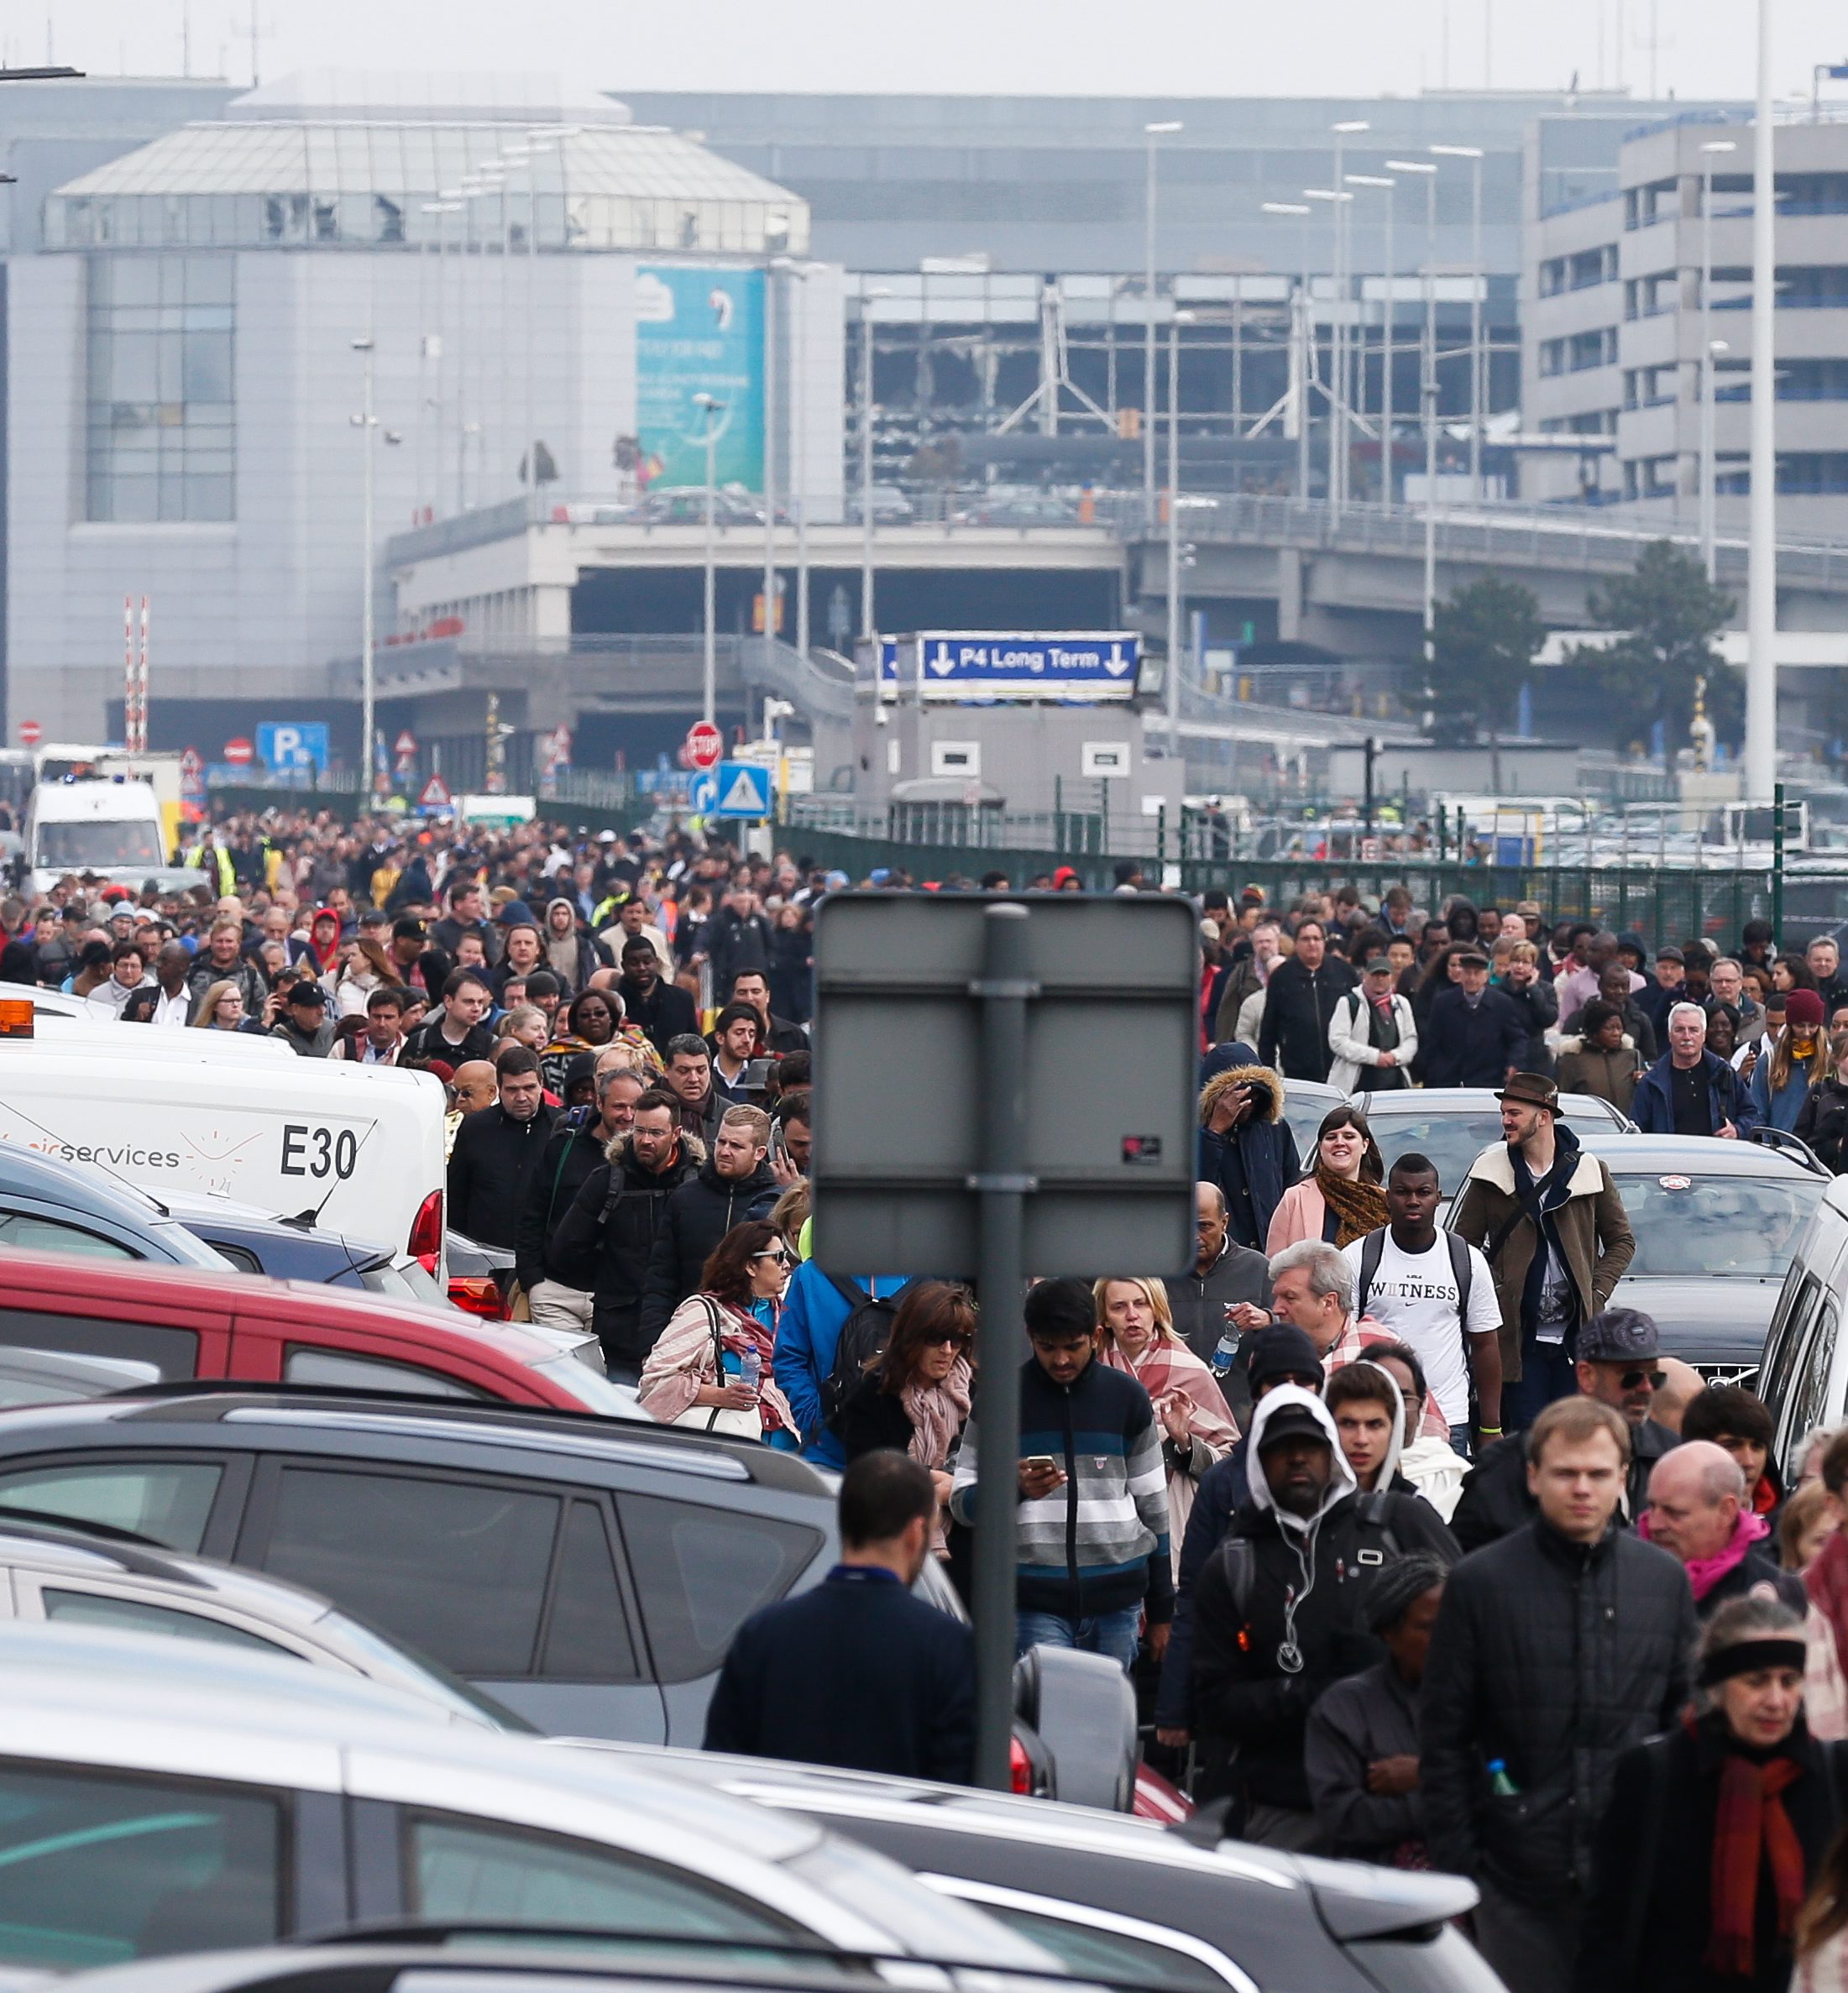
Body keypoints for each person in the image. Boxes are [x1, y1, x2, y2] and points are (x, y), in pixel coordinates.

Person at [1421, 1396, 1698, 1993]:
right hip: (1514, 1880)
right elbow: (1446, 1737)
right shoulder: (1479, 1584)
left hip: (1633, 1880)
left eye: (1597, 1474)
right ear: (1532, 1476)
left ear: (1622, 1479)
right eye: (1565, 1473)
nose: (1581, 1489)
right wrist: (1467, 1866)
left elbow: (1685, 1733)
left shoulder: (1663, 1583)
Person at [1189, 1385, 1457, 1846]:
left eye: (1310, 1447)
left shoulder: (1394, 1525)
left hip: (1393, 1802)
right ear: (1257, 1460)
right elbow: (1215, 1702)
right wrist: (1317, 1694)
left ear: (1329, 1453)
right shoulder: (1233, 1564)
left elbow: (1465, 1642)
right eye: (1280, 1449)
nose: (1297, 1459)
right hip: (1281, 1810)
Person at [1581, 1596, 1848, 1993]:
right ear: (1719, 1687)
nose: (1775, 1701)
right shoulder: (1657, 1773)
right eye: (1756, 1681)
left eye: (1789, 1681)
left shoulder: (1831, 1772)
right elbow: (1609, 1920)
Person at [702, 1450, 975, 1783]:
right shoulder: (948, 1646)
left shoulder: (764, 1633)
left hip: (783, 1830)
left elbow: (724, 1766)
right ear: (916, 1533)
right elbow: (958, 1783)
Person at [949, 1277, 1172, 1672]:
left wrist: (1161, 1612)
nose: (1061, 1360)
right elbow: (961, 1502)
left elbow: (1154, 1511)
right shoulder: (1000, 1400)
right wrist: (1010, 1488)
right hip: (1033, 1603)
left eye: (1073, 1347)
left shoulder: (1128, 1399)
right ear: (1030, 1337)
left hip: (1117, 1603)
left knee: (1106, 1724)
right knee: (1049, 1722)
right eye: (1047, 1348)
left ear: (1096, 1335)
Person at [1451, 1072, 1635, 1429]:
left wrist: (1596, 1292)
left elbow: (1621, 1241)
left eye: (1514, 1113)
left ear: (1544, 1116)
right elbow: (1462, 1247)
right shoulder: (1491, 1172)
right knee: (1528, 1441)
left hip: (1575, 1340)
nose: (1505, 1120)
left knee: (1576, 1436)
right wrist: (1496, 1289)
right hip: (1518, 1341)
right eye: (1504, 1112)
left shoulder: (1590, 1171)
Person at [1450, 1305, 1682, 1553]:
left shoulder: (1673, 1457)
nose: (1646, 1388)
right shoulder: (1508, 1466)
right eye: (1631, 1376)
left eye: (1655, 1377)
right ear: (1586, 1376)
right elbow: (1463, 1560)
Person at [1347, 1152, 1504, 1453]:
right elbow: (1344, 1341)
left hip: (1449, 1417)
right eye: (1403, 1192)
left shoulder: (1467, 1260)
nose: (1413, 1201)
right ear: (1387, 1197)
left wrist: (1490, 1426)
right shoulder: (1357, 1257)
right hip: (1377, 1414)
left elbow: (1485, 1345)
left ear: (1438, 1198)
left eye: (1423, 1192)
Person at [1305, 1553, 1448, 1865]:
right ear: (1389, 1632)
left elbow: (1511, 1787)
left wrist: (1425, 1774)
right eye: (1427, 1628)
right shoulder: (1346, 1709)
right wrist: (1452, 1800)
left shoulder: (1487, 1698)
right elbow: (1345, 1818)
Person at [1094, 1276, 1238, 1569]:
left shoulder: (1191, 1373)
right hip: (1100, 1518)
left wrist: (1184, 1442)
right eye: (1119, 1307)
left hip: (1171, 1518)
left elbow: (1229, 1460)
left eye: (1141, 1304)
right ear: (1105, 1318)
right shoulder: (1089, 1372)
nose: (1132, 1316)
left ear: (1156, 1309)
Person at [835, 1280, 975, 1558]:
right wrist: (928, 1480)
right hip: (893, 1545)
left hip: (966, 1552)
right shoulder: (873, 1395)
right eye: (935, 1339)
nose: (947, 1350)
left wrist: (959, 1490)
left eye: (957, 1340)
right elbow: (865, 1476)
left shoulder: (976, 1393)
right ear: (910, 1338)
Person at [638, 1218, 796, 1446]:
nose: (786, 1266)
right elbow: (654, 1380)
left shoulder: (786, 1314)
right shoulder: (702, 1312)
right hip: (727, 1449)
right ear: (750, 1266)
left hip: (786, 1450)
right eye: (778, 1258)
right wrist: (720, 1396)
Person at [516, 1065, 646, 1332]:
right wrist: (532, 1280)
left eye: (636, 1107)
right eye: (619, 1107)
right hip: (556, 1291)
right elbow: (533, 1213)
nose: (628, 1116)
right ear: (599, 1102)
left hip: (618, 1299)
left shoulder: (647, 1160)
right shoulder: (563, 1148)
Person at [445, 1045, 558, 1250]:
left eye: (529, 1088)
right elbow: (456, 1196)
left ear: (541, 1084)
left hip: (544, 1255)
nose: (522, 1097)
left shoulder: (562, 1128)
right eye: (512, 1090)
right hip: (484, 1253)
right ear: (498, 1088)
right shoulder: (475, 1128)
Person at [1197, 1059, 1302, 1253]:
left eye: (1253, 1093)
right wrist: (1215, 1133)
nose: (1246, 1102)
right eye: (1237, 1094)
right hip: (1220, 1257)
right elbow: (1199, 1191)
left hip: (1271, 1255)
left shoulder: (1274, 1130)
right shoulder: (1197, 1135)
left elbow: (1292, 1186)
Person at [1170, 1183, 1271, 1378]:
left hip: (1239, 1401)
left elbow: (1292, 1330)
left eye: (1204, 1226)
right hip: (1175, 1399)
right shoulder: (1160, 1273)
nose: (1195, 1236)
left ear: (1224, 1222)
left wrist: (1267, 1320)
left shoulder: (1257, 1268)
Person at [1265, 1105, 1388, 1255]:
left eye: (1349, 1136)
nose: (1340, 1143)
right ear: (1321, 1148)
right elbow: (1273, 1265)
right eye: (1331, 1137)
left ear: (1364, 1145)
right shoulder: (1295, 1198)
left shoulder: (1383, 1201)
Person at [1631, 1001, 1753, 1138]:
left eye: (1693, 1030)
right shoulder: (1652, 1083)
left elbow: (1752, 1115)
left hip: (1717, 1156)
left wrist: (1737, 1130)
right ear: (1669, 1035)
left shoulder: (1724, 1073)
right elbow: (1638, 1131)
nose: (1687, 1037)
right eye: (1679, 1030)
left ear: (1704, 1035)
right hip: (1669, 1157)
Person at [1258, 918, 1356, 1082]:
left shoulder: (1343, 972)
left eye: (1316, 939)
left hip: (1342, 1068)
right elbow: (1269, 1028)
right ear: (1296, 943)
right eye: (1306, 939)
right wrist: (1267, 1072)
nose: (1312, 943)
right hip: (1298, 1072)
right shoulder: (1282, 977)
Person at [1421, 948, 1530, 1088]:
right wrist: (1437, 1071)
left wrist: (1514, 1064)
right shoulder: (1443, 1002)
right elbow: (1432, 1042)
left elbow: (1518, 1038)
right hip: (1448, 1082)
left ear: (1486, 976)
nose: (1471, 978)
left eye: (1477, 973)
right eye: (1467, 973)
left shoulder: (1502, 1004)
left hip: (1488, 1082)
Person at [1683, 1384, 1784, 1525]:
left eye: (1757, 1447)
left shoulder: (1792, 1529)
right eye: (1732, 1446)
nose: (1748, 1462)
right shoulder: (1664, 1528)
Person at [1327, 955, 1416, 1095]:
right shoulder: (1348, 1003)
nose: (1379, 979)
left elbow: (1411, 1039)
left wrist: (1395, 1057)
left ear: (1391, 977)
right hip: (1358, 1086)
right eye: (1375, 974)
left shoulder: (1402, 1004)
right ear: (1365, 976)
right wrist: (1375, 1057)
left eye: (1384, 974)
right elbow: (1337, 1041)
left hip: (1395, 1085)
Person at [1752, 988, 1830, 1134]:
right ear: (1789, 1025)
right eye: (1800, 1025)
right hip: (1779, 1148)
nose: (1806, 1032)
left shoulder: (1830, 1060)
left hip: (1819, 1149)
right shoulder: (1769, 1061)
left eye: (1812, 1026)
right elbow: (1757, 1112)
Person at [1553, 999, 1647, 1114]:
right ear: (1594, 1031)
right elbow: (1561, 1099)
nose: (1616, 1033)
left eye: (1619, 1028)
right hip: (1588, 1125)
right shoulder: (1572, 1060)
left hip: (1627, 1125)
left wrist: (1644, 1081)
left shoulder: (1632, 1056)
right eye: (1609, 1028)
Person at [613, 938, 698, 1059]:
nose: (641, 968)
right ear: (623, 966)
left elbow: (695, 1043)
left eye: (647, 962)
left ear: (657, 962)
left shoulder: (682, 999)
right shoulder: (613, 1002)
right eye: (634, 963)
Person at [1798, 1029, 1848, 1174]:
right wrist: (1837, 1146)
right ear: (1837, 1058)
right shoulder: (1819, 1092)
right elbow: (1802, 1139)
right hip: (1824, 1172)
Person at [662, 1032, 724, 1146]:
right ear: (666, 1070)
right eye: (684, 1071)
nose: (693, 1079)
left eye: (701, 1070)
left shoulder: (727, 1114)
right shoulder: (646, 1108)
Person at [329, 983, 408, 1065]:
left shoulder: (410, 1050)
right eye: (377, 1017)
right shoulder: (343, 1047)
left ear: (400, 1019)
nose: (382, 1024)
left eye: (389, 1018)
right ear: (369, 1017)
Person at [120, 940, 194, 1027]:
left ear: (182, 966)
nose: (158, 966)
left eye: (164, 962)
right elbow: (123, 1029)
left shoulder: (198, 1003)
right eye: (158, 961)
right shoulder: (140, 997)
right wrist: (137, 1019)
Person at [270, 977, 335, 1055]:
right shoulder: (278, 1040)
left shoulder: (332, 1032)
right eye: (313, 1006)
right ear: (295, 1009)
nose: (321, 1011)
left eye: (322, 1004)